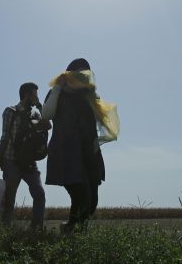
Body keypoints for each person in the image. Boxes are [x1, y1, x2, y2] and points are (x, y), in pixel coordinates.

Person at [42, 58, 120, 234]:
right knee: (81, 194)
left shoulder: (88, 95)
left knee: (92, 200)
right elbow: (46, 115)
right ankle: (72, 231)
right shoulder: (57, 91)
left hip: (89, 151)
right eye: (79, 73)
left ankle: (73, 229)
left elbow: (98, 120)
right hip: (66, 150)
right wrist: (57, 88)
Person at [0, 82, 49, 231]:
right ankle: (4, 231)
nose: (36, 97)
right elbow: (4, 137)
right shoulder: (10, 111)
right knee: (9, 200)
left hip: (29, 162)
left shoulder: (35, 114)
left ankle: (36, 230)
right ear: (27, 94)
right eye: (35, 94)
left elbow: (47, 125)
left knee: (39, 194)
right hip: (11, 161)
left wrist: (40, 106)